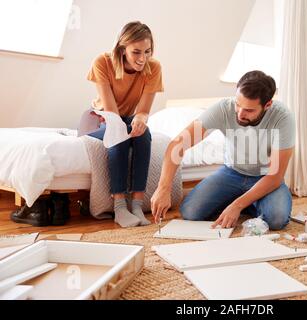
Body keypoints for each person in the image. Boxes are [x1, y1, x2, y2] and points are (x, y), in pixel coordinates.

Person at [151, 71, 295, 230]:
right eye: (238, 104)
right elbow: (177, 145)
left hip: (265, 177)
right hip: (231, 173)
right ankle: (251, 202)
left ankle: (246, 201)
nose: (240, 114)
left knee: (276, 219)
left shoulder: (283, 118)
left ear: (267, 105)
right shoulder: (223, 109)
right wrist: (163, 188)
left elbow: (274, 176)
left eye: (249, 110)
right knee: (190, 212)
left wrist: (237, 206)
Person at [84, 21, 163, 228]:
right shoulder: (103, 62)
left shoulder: (153, 67)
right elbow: (110, 112)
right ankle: (119, 207)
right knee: (118, 134)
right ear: (122, 48)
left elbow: (144, 110)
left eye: (147, 51)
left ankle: (136, 205)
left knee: (143, 135)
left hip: (127, 117)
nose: (142, 58)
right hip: (99, 117)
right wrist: (128, 123)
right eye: (136, 52)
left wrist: (140, 119)